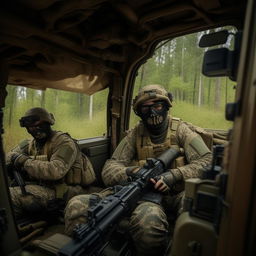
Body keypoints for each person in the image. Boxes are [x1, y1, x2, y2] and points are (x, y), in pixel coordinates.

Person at [64, 84, 212, 255]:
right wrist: (131, 172)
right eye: (146, 107)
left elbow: (206, 161)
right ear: (139, 111)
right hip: (142, 192)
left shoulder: (181, 130)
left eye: (157, 106)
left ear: (166, 107)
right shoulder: (135, 134)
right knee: (76, 205)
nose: (152, 112)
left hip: (174, 193)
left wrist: (174, 175)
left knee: (148, 224)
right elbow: (109, 168)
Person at [6, 107, 96, 218]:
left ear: (49, 123)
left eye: (40, 125)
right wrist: (13, 159)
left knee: (9, 197)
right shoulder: (30, 143)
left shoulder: (64, 143)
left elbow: (56, 170)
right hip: (40, 186)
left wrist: (24, 161)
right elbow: (9, 156)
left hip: (61, 191)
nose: (36, 130)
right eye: (31, 127)